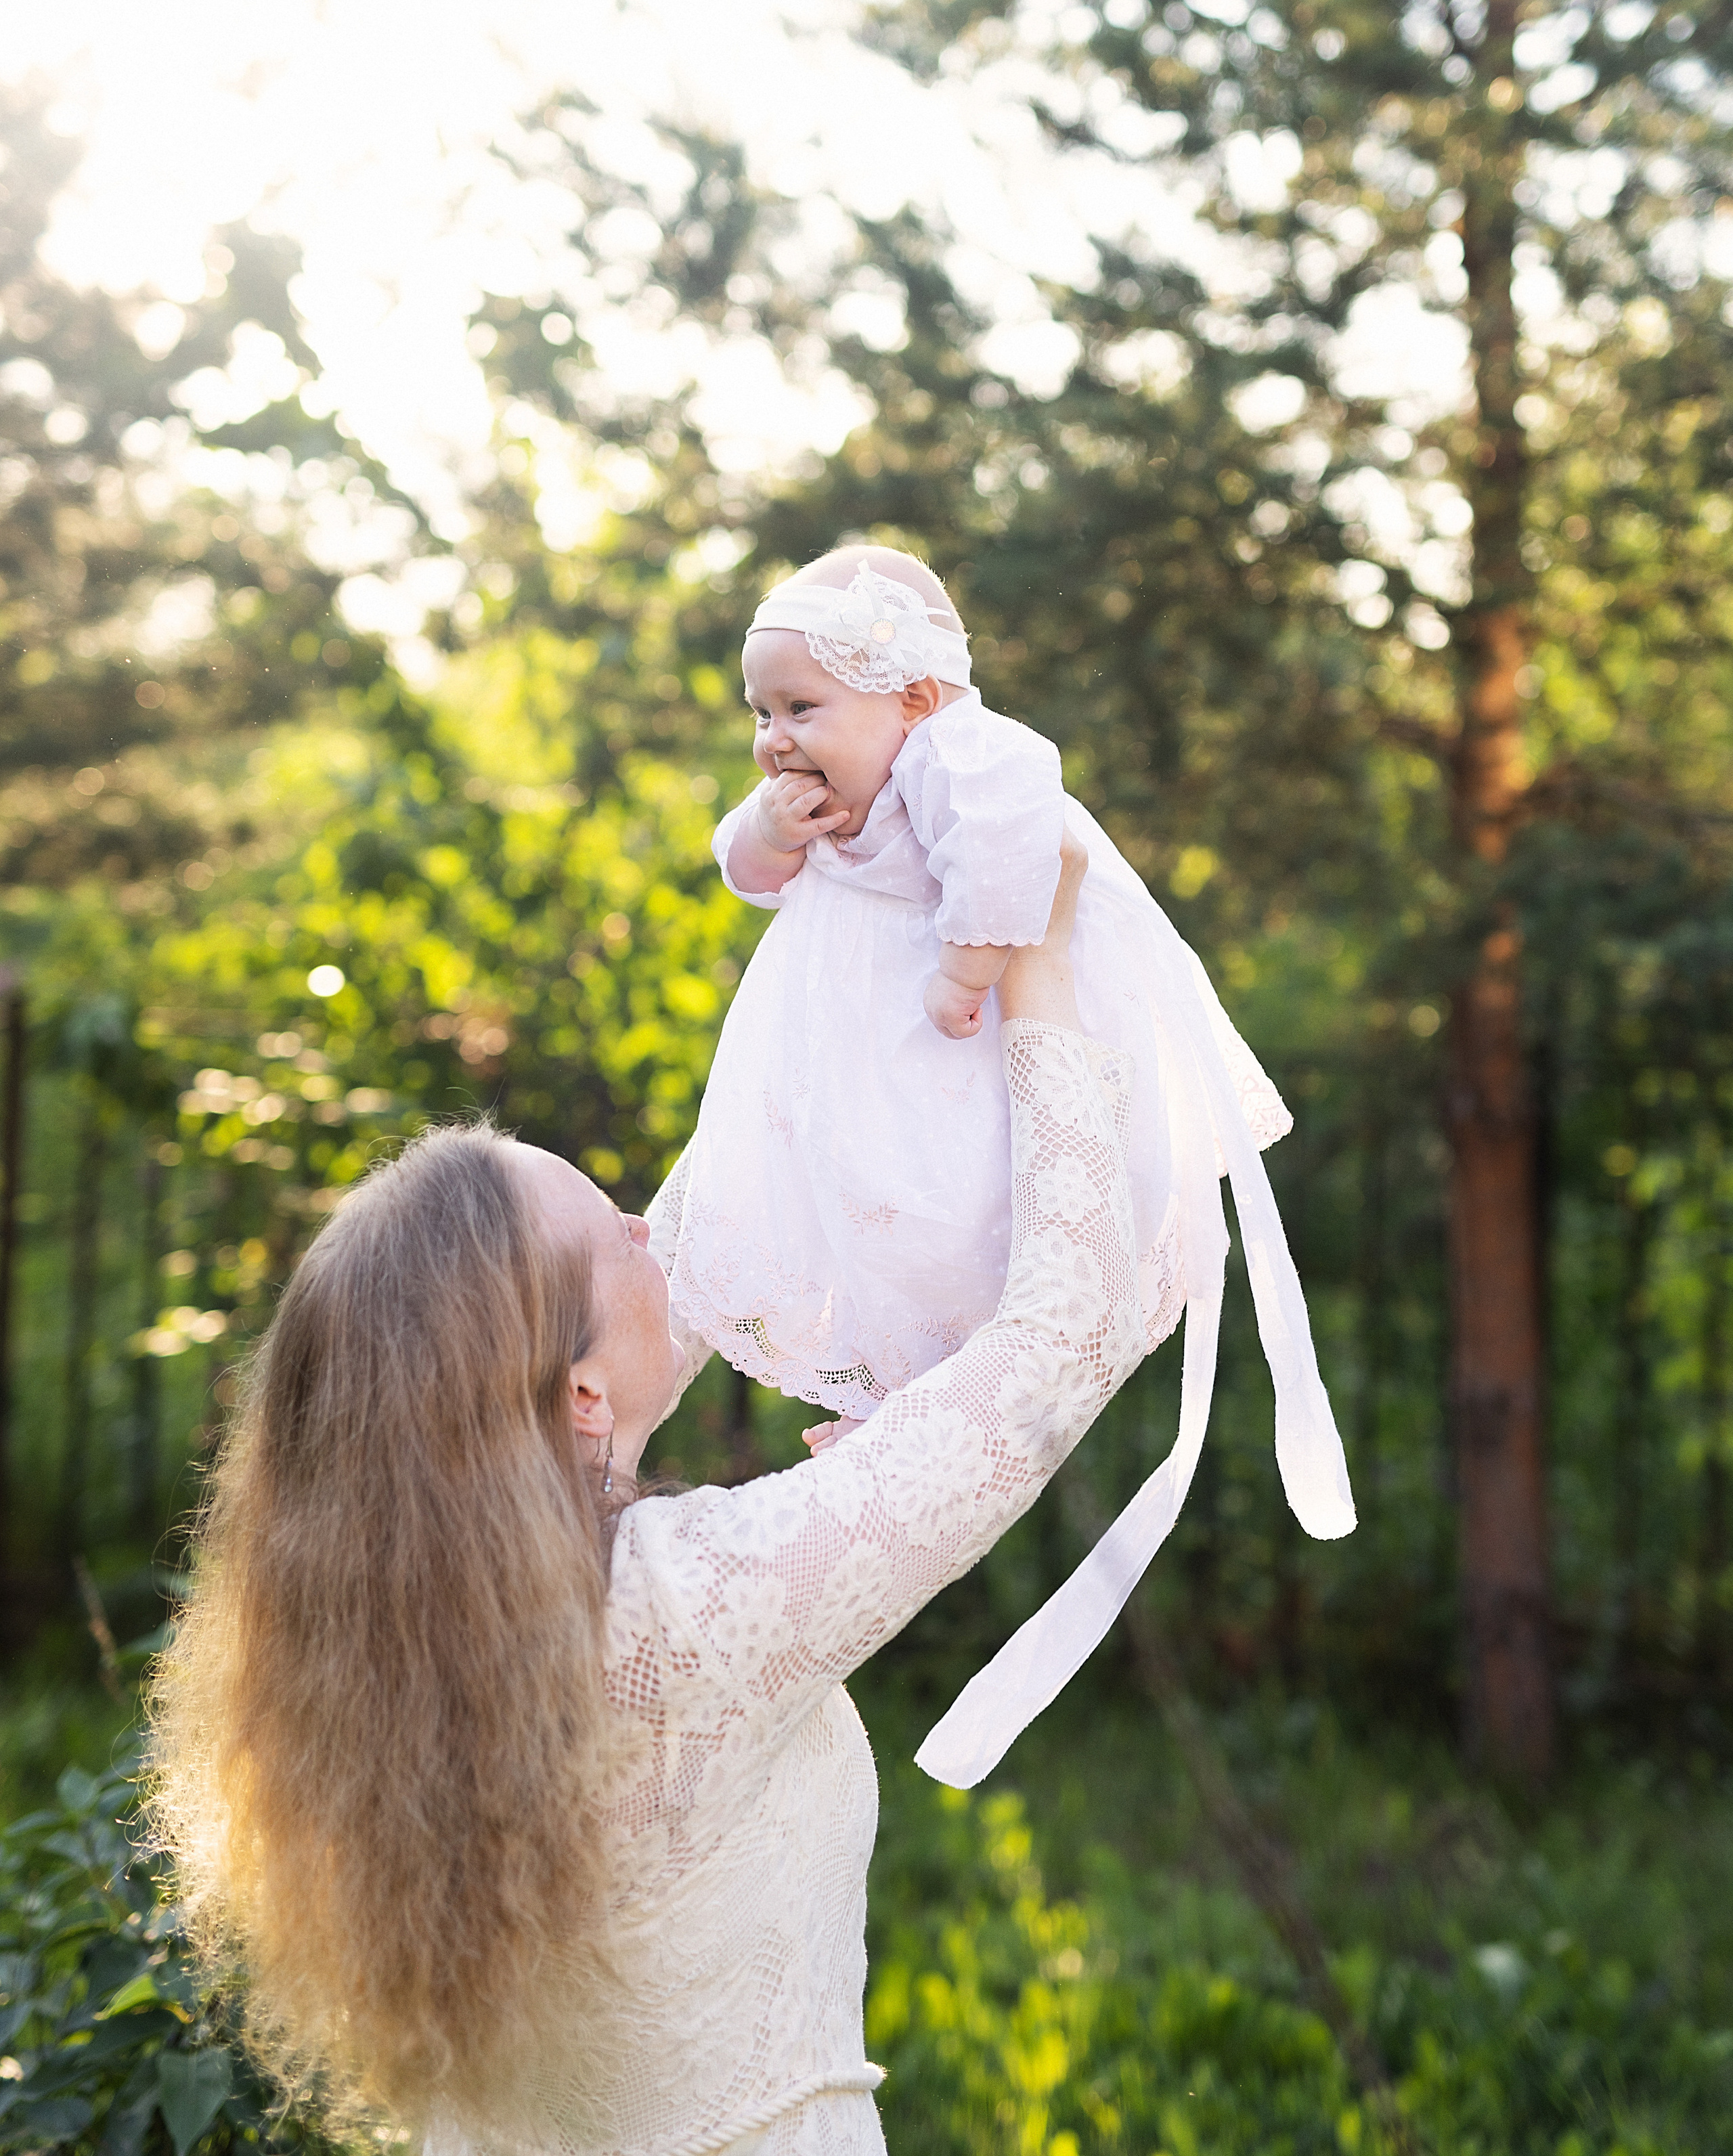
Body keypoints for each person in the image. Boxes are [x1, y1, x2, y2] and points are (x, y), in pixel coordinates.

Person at [145, 843, 1145, 2156]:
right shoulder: (678, 1615)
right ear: (576, 1402)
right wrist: (1041, 955)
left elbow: (702, 1233)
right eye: (613, 1227)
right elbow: (1063, 1341)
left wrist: (847, 926)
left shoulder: (347, 1637)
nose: (646, 1229)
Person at [650, 546, 1355, 1784]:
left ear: (914, 699)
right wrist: (761, 832)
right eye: (760, 712)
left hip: (964, 1042)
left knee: (962, 1222)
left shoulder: (973, 755)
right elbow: (746, 876)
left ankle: (922, 1410)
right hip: (870, 1058)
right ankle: (891, 1406)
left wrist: (969, 973)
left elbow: (1015, 867)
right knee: (869, 1230)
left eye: (802, 709)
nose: (773, 737)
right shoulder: (811, 790)